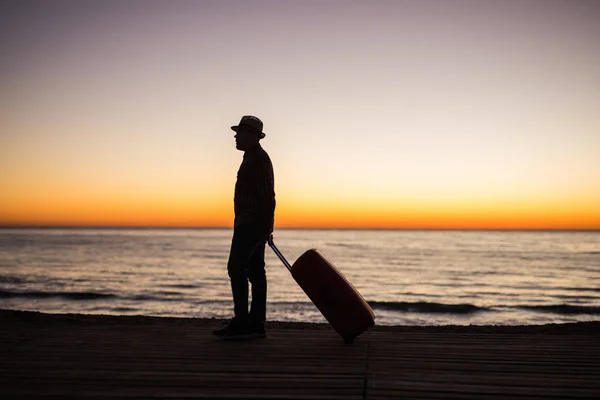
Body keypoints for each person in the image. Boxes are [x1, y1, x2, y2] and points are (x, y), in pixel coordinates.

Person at [213, 115, 276, 340]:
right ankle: (255, 324)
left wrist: (266, 226)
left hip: (251, 224)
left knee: (237, 268)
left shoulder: (258, 159)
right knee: (256, 271)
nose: (236, 136)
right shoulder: (252, 157)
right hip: (251, 223)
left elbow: (268, 196)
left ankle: (243, 322)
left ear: (252, 136)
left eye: (240, 132)